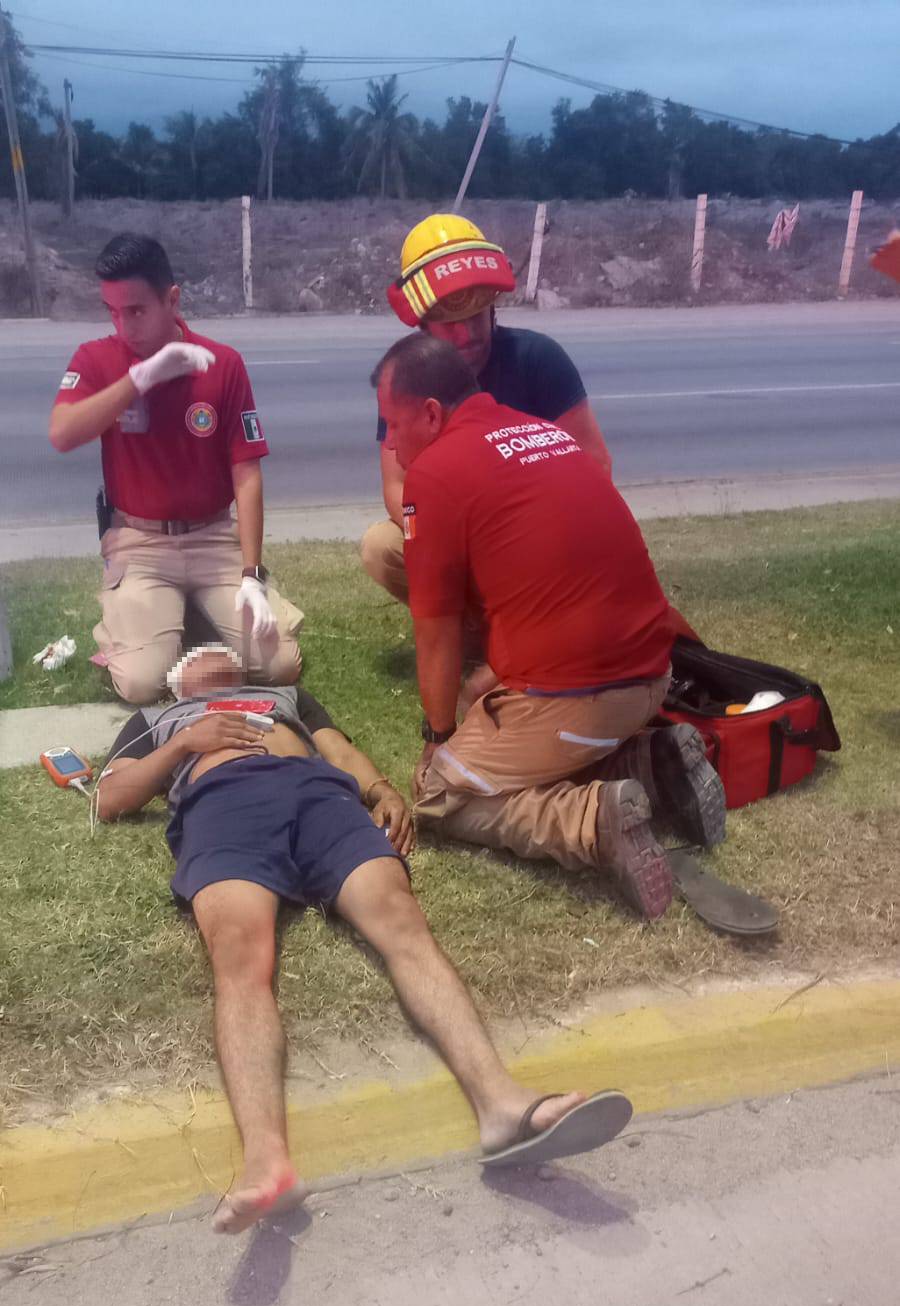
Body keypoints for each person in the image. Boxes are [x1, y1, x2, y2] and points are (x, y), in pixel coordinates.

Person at [95, 643, 634, 1233]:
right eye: (198, 655)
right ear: (176, 683)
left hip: (321, 795)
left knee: (402, 922)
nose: (214, 654)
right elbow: (110, 798)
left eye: (224, 649)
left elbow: (338, 750)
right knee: (241, 958)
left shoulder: (285, 698)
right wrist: (183, 744)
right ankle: (266, 1162)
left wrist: (378, 790)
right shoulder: (156, 719)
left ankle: (502, 1106)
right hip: (226, 802)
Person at [372, 335, 726, 922]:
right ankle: (653, 763)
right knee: (485, 695)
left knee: (438, 796)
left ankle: (592, 822)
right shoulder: (544, 432)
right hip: (653, 677)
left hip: (583, 698)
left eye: (393, 424)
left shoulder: (434, 473)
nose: (391, 442)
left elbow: (434, 632)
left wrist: (437, 738)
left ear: (431, 413)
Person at [48, 233, 302, 704]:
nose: (124, 326)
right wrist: (139, 378)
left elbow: (246, 472)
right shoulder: (98, 358)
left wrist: (251, 574)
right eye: (113, 311)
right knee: (142, 683)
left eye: (137, 310)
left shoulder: (222, 364)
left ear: (172, 299)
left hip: (213, 539)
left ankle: (200, 611)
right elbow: (62, 433)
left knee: (280, 665)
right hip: (140, 543)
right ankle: (143, 619)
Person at [361, 212, 614, 609]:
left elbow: (596, 464)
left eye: (475, 316)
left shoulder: (539, 358)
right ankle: (475, 630)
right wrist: (442, 541)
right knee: (382, 546)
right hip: (458, 538)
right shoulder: (406, 380)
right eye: (450, 324)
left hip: (542, 540)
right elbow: (396, 486)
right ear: (423, 325)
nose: (468, 335)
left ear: (493, 307)